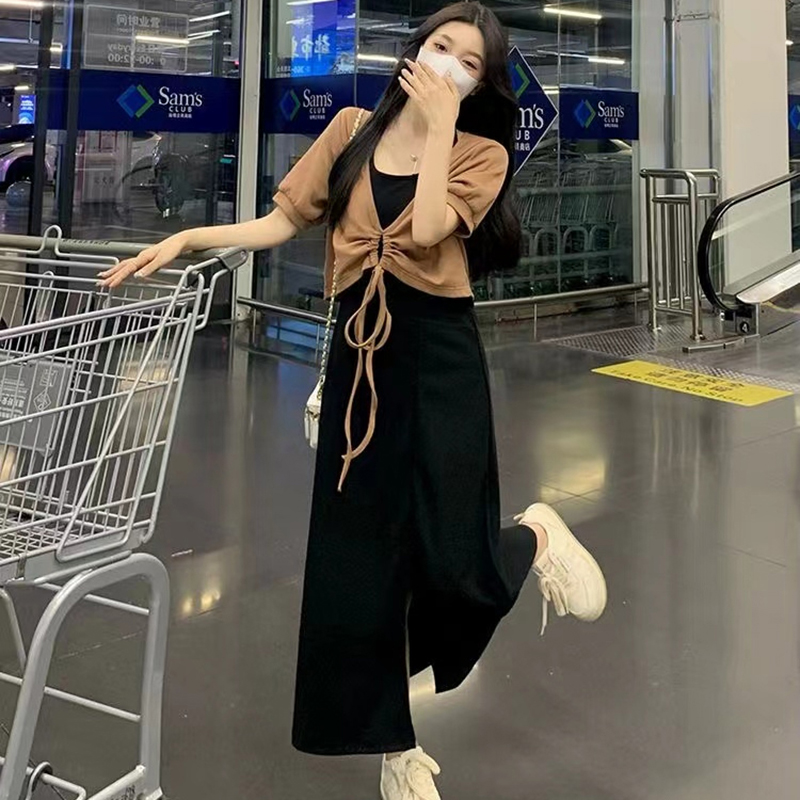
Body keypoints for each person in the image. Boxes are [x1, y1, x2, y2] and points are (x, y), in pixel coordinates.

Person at [101, 3, 607, 797]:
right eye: (440, 46)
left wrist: (440, 127)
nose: (448, 64)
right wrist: (189, 240)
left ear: (480, 85)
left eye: (469, 62)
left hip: (439, 354)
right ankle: (394, 747)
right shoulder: (349, 132)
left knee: (454, 551)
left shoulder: (479, 152)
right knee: (359, 563)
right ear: (414, 50)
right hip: (360, 356)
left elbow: (432, 227)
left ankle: (534, 537)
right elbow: (280, 224)